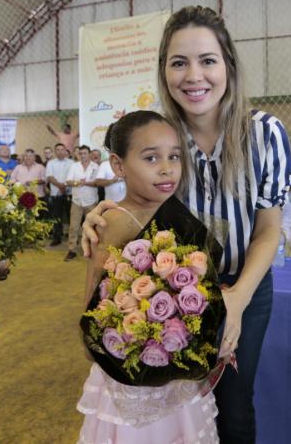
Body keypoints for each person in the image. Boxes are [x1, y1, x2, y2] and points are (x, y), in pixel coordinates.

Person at [81, 6, 290, 442]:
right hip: (175, 293)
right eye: (179, 63)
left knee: (234, 410)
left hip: (247, 286)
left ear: (228, 65)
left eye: (207, 60)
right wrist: (101, 216)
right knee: (183, 410)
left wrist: (237, 300)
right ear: (164, 71)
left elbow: (269, 228)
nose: (194, 76)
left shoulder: (264, 133)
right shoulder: (161, 136)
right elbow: (136, 200)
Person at [77, 110, 218, 442]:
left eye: (174, 157)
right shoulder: (114, 221)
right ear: (118, 165)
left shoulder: (176, 211)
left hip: (176, 360)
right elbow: (93, 298)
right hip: (132, 369)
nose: (167, 168)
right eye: (151, 158)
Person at [64, 145, 99, 261]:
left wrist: (86, 183)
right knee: (73, 227)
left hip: (91, 201)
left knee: (92, 227)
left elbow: (98, 183)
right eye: (81, 153)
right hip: (77, 201)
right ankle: (71, 250)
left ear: (89, 154)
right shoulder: (74, 166)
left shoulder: (95, 167)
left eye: (85, 153)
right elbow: (68, 181)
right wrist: (77, 183)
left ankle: (92, 249)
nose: (83, 155)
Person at [46, 143, 74, 246]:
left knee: (71, 217)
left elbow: (72, 176)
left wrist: (65, 186)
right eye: (58, 149)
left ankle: (72, 238)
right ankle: (57, 237)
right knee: (57, 217)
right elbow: (50, 177)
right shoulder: (51, 163)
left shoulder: (72, 163)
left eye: (62, 149)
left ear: (65, 151)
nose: (60, 151)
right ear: (55, 151)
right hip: (56, 194)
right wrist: (60, 186)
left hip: (69, 193)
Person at [94, 123, 126, 203]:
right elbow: (98, 182)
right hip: (111, 203)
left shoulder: (132, 161)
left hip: (132, 204)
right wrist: (112, 181)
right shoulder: (105, 164)